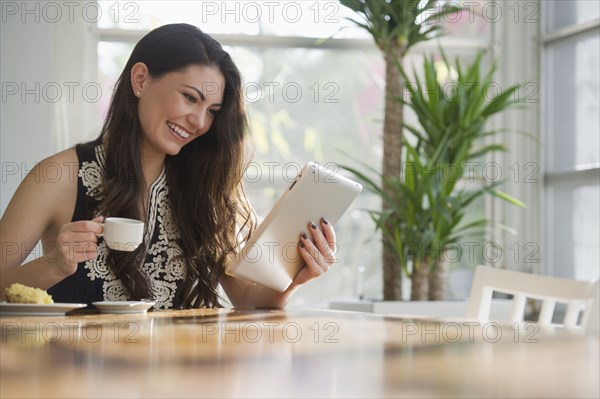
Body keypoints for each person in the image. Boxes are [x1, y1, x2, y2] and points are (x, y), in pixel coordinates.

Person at [0, 23, 336, 309]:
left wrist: (294, 279)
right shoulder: (57, 176)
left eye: (212, 111)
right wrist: (54, 265)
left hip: (177, 379)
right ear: (141, 79)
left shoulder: (206, 188)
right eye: (190, 98)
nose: (199, 122)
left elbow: (247, 300)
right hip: (73, 380)